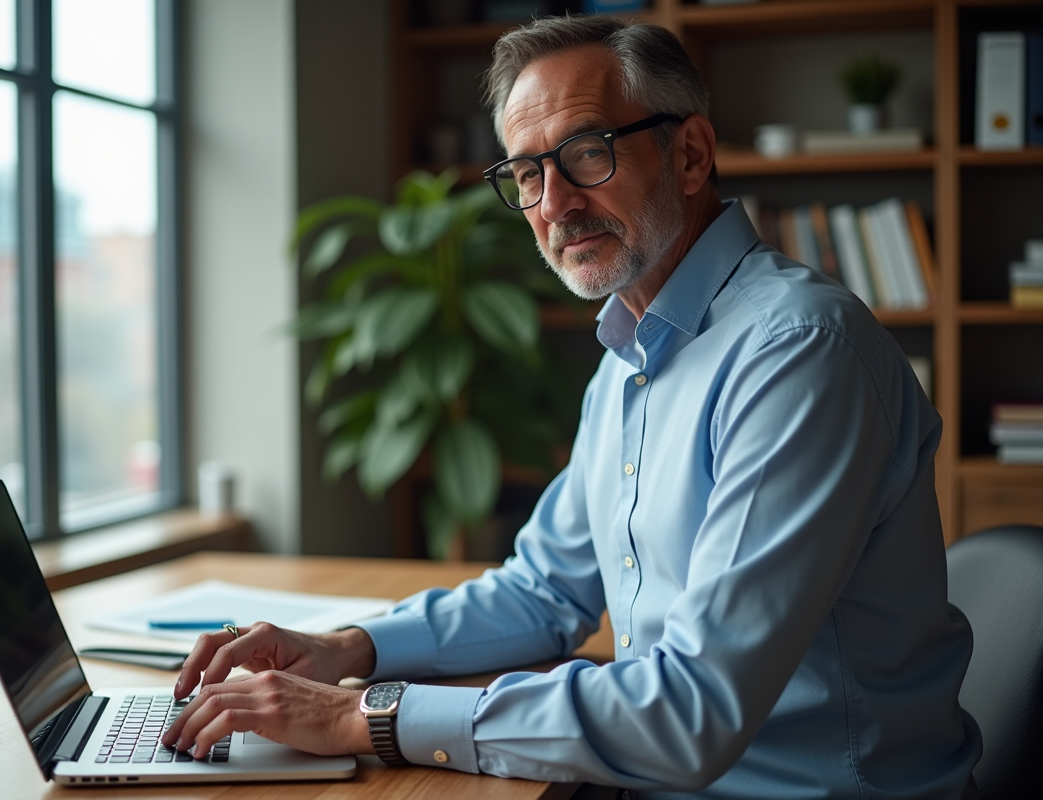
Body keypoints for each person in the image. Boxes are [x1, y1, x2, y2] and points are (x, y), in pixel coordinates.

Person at [162, 16, 982, 799]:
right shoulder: (632, 350)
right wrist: (349, 649)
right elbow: (543, 592)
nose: (553, 204)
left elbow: (690, 713)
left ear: (691, 154)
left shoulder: (798, 354)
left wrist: (361, 716)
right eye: (526, 174)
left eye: (586, 153)